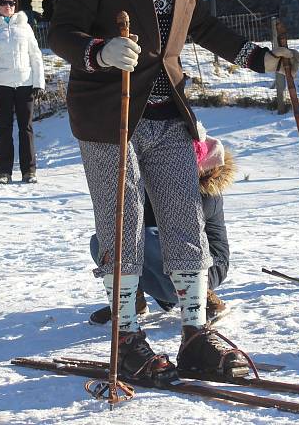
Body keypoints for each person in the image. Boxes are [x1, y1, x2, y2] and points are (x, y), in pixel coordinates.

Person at [48, 0, 299, 383]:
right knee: (122, 227)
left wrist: (258, 58)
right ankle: (127, 338)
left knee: (186, 224)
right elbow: (61, 33)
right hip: (111, 115)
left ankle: (195, 333)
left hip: (168, 111)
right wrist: (99, 52)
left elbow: (199, 23)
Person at [88, 130, 234, 326]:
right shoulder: (156, 179)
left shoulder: (205, 191)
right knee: (103, 241)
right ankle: (131, 302)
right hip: (165, 257)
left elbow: (178, 230)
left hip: (207, 263)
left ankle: (205, 299)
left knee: (146, 238)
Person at [0, 0, 45, 184]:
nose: (8, 7)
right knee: (5, 128)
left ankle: (29, 171)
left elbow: (36, 56)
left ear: (16, 6)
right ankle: (4, 172)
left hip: (25, 83)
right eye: (4, 3)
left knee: (26, 128)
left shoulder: (24, 27)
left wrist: (38, 82)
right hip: (2, 85)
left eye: (12, 3)